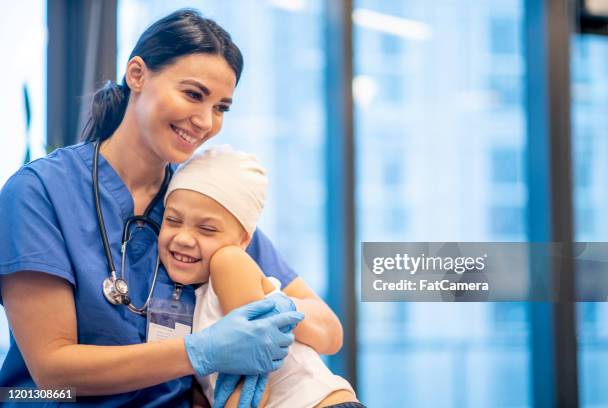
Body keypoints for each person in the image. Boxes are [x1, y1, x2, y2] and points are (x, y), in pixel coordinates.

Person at [0, 9, 342, 407]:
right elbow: (52, 370)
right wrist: (201, 351)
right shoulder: (40, 192)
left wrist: (271, 306)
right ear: (137, 75)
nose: (205, 121)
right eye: (194, 95)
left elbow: (327, 327)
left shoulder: (201, 194)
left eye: (221, 107)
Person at [158, 145, 363, 408]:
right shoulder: (199, 297)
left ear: (244, 240)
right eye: (172, 221)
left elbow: (254, 375)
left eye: (207, 229)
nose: (183, 238)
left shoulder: (229, 263)